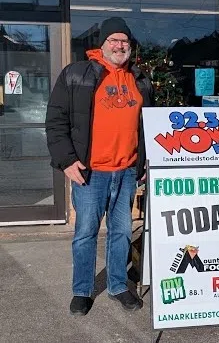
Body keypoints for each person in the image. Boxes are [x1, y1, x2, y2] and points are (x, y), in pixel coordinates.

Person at [46, 17, 154, 316]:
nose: (119, 45)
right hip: (90, 173)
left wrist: (147, 160)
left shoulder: (140, 80)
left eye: (124, 40)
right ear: (102, 44)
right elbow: (56, 120)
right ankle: (82, 290)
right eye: (113, 40)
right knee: (85, 234)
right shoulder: (77, 74)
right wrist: (66, 160)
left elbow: (149, 125)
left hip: (127, 172)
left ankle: (118, 285)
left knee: (121, 233)